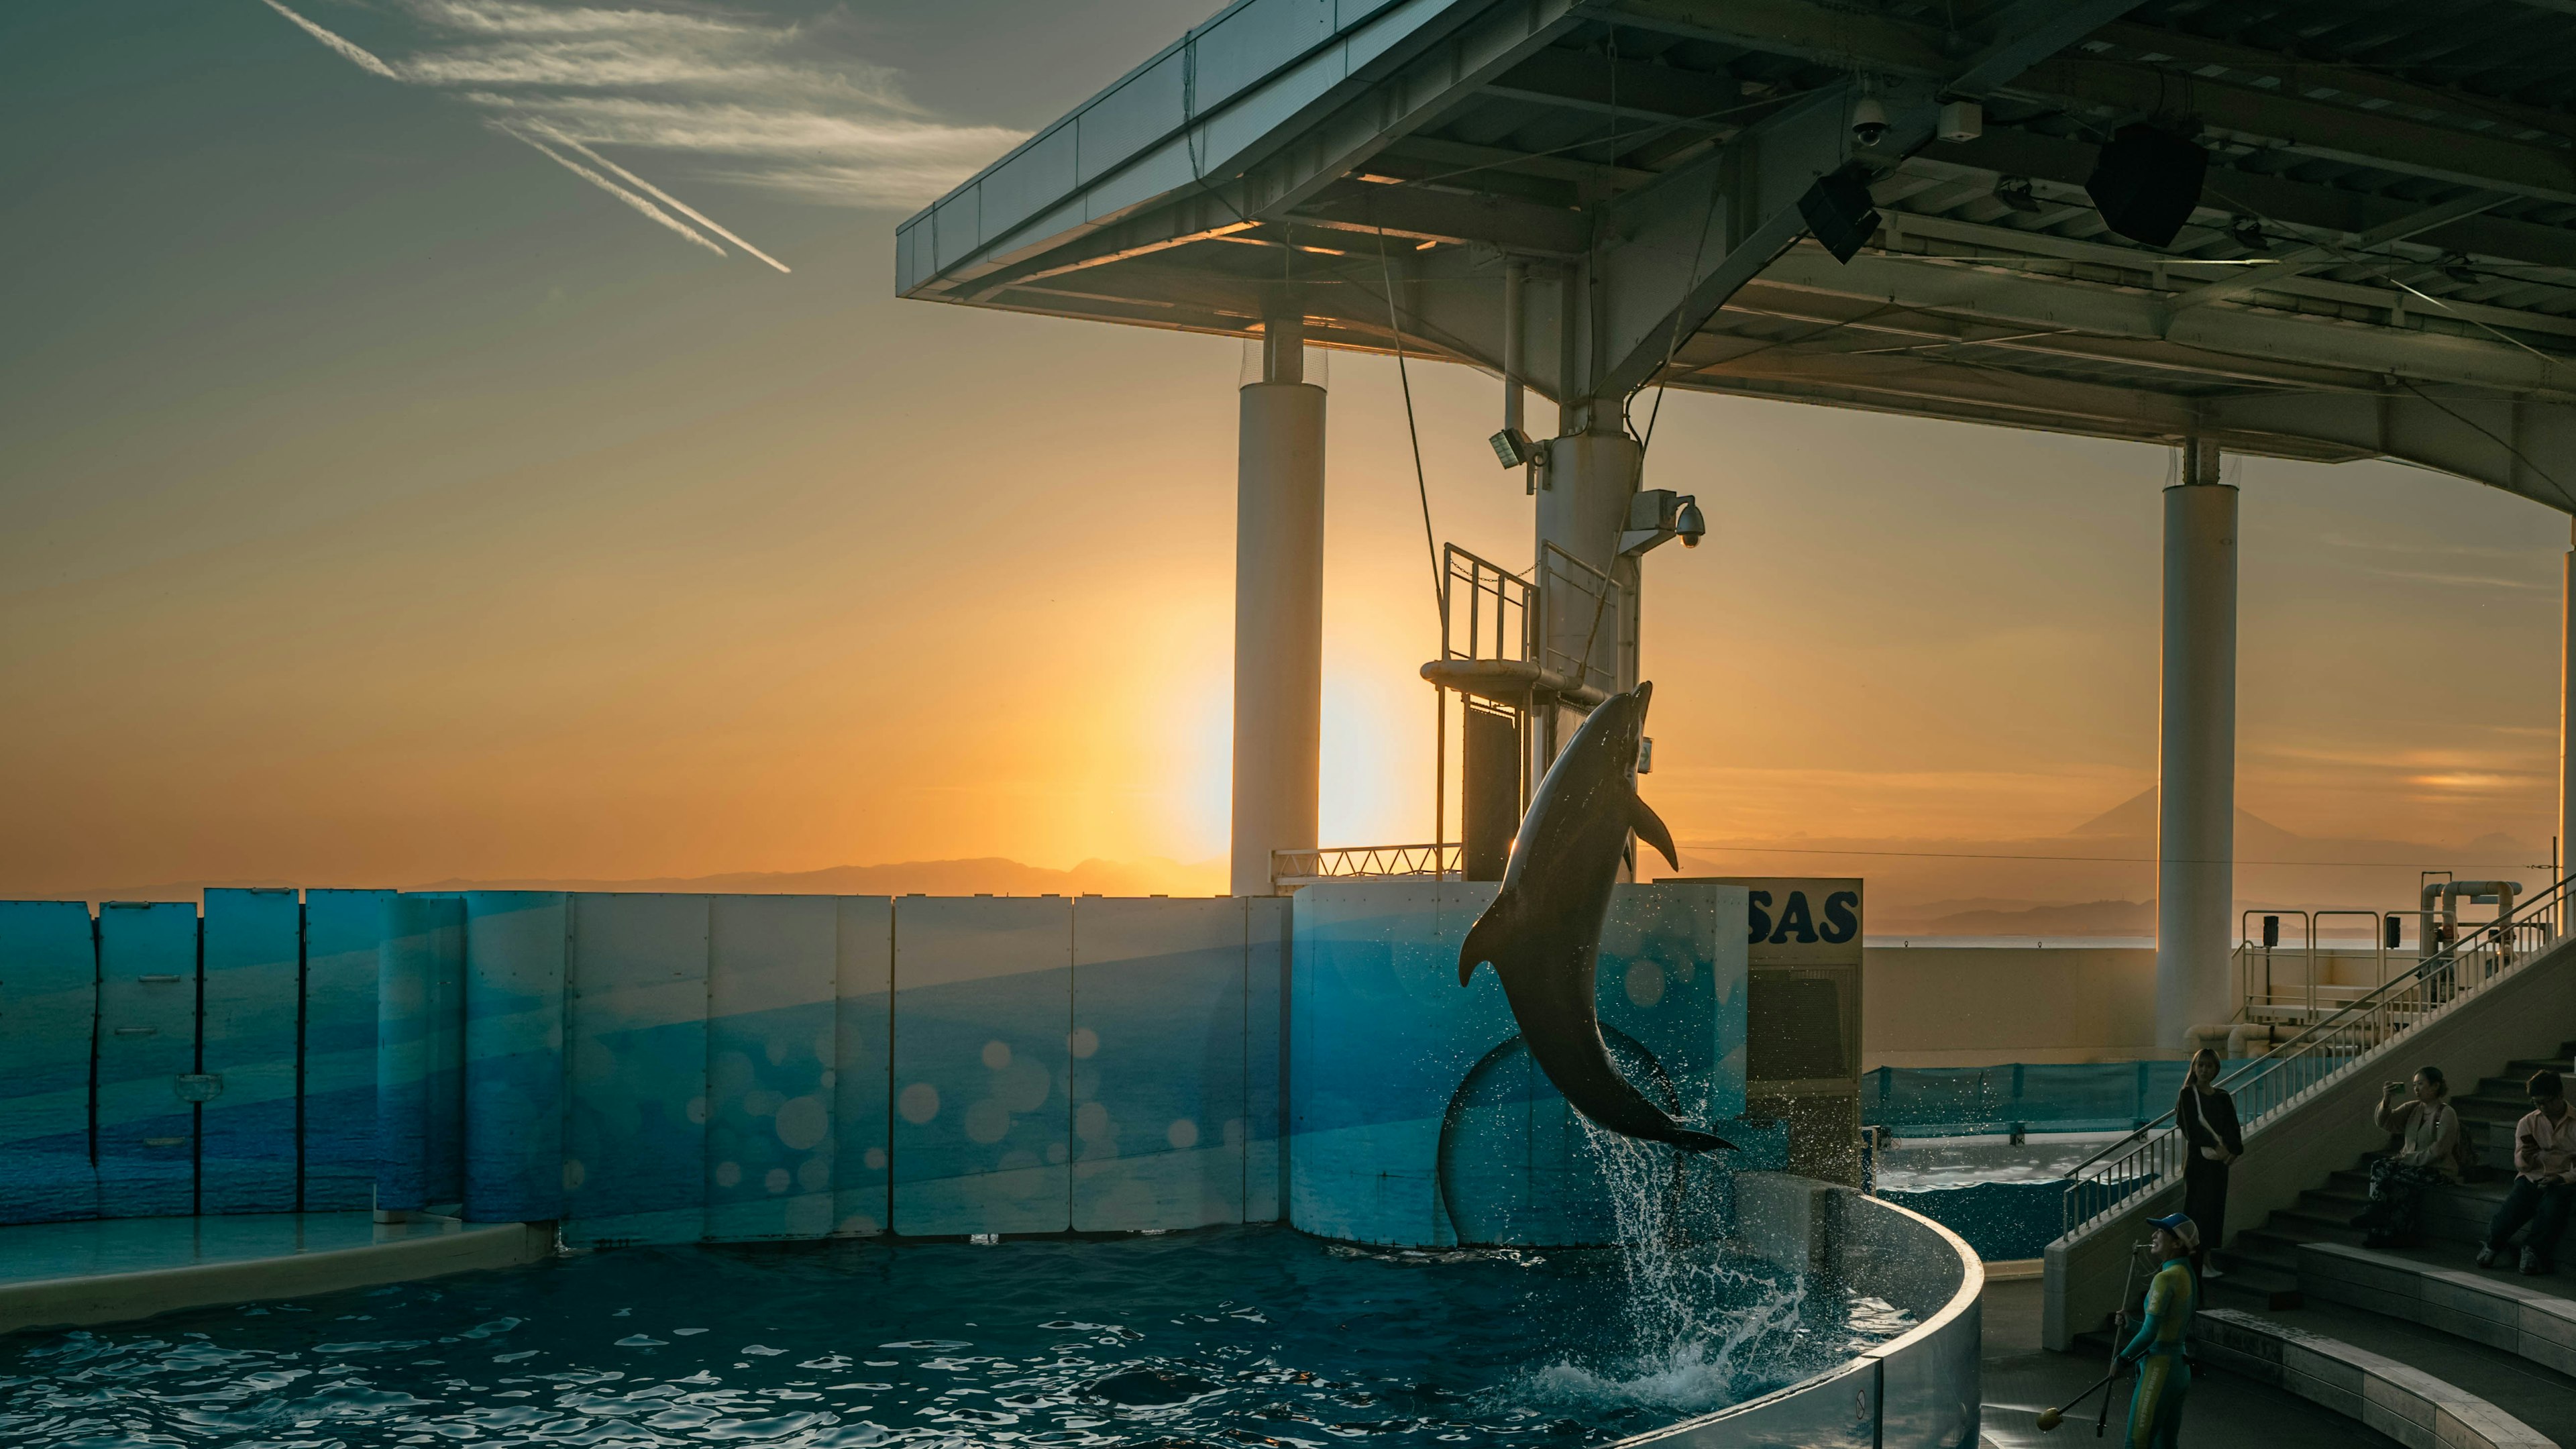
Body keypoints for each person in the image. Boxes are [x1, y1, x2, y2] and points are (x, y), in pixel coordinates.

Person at [2479, 1069, 2575, 1275]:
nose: (2542, 1107)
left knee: (2552, 1209)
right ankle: (2494, 1244)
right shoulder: (2528, 1122)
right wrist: (2527, 1156)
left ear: (2560, 1096)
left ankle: (2532, 1250)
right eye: (2536, 1103)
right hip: (2531, 1177)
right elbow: (2521, 1166)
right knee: (2508, 1215)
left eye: (2546, 1101)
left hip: (2562, 1180)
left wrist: (2561, 1178)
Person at [2355, 1066, 2461, 1249]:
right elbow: (2387, 1122)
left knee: (2392, 1177)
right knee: (2381, 1167)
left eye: (2421, 1084)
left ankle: (2378, 1217)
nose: (2416, 1089)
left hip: (2438, 1170)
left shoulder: (2445, 1113)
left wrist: (2408, 1159)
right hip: (2412, 1166)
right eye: (2414, 1085)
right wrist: (2386, 1101)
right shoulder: (2413, 1108)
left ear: (2435, 1086)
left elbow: (2440, 1149)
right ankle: (2380, 1224)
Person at [2118, 1212, 2200, 1449]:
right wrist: (2131, 1325)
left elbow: (2151, 1334)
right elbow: (2167, 1330)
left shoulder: (2166, 1278)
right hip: (2178, 1370)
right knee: (2165, 1446)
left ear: (2176, 1243)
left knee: (2136, 1444)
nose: (2154, 1235)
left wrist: (2121, 1360)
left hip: (2160, 1370)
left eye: (2161, 1232)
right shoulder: (2187, 1275)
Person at [2174, 1048, 2240, 1277]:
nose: (2204, 1070)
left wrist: (2233, 1151)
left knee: (2214, 1211)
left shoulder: (2222, 1097)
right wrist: (2218, 1147)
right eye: (2200, 1065)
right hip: (2199, 1163)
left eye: (2209, 1066)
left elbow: (2233, 1128)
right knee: (2198, 1210)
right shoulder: (2187, 1095)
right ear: (2194, 1067)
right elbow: (2190, 1128)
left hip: (2218, 1165)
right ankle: (2196, 1262)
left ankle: (2208, 1260)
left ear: (2216, 1070)